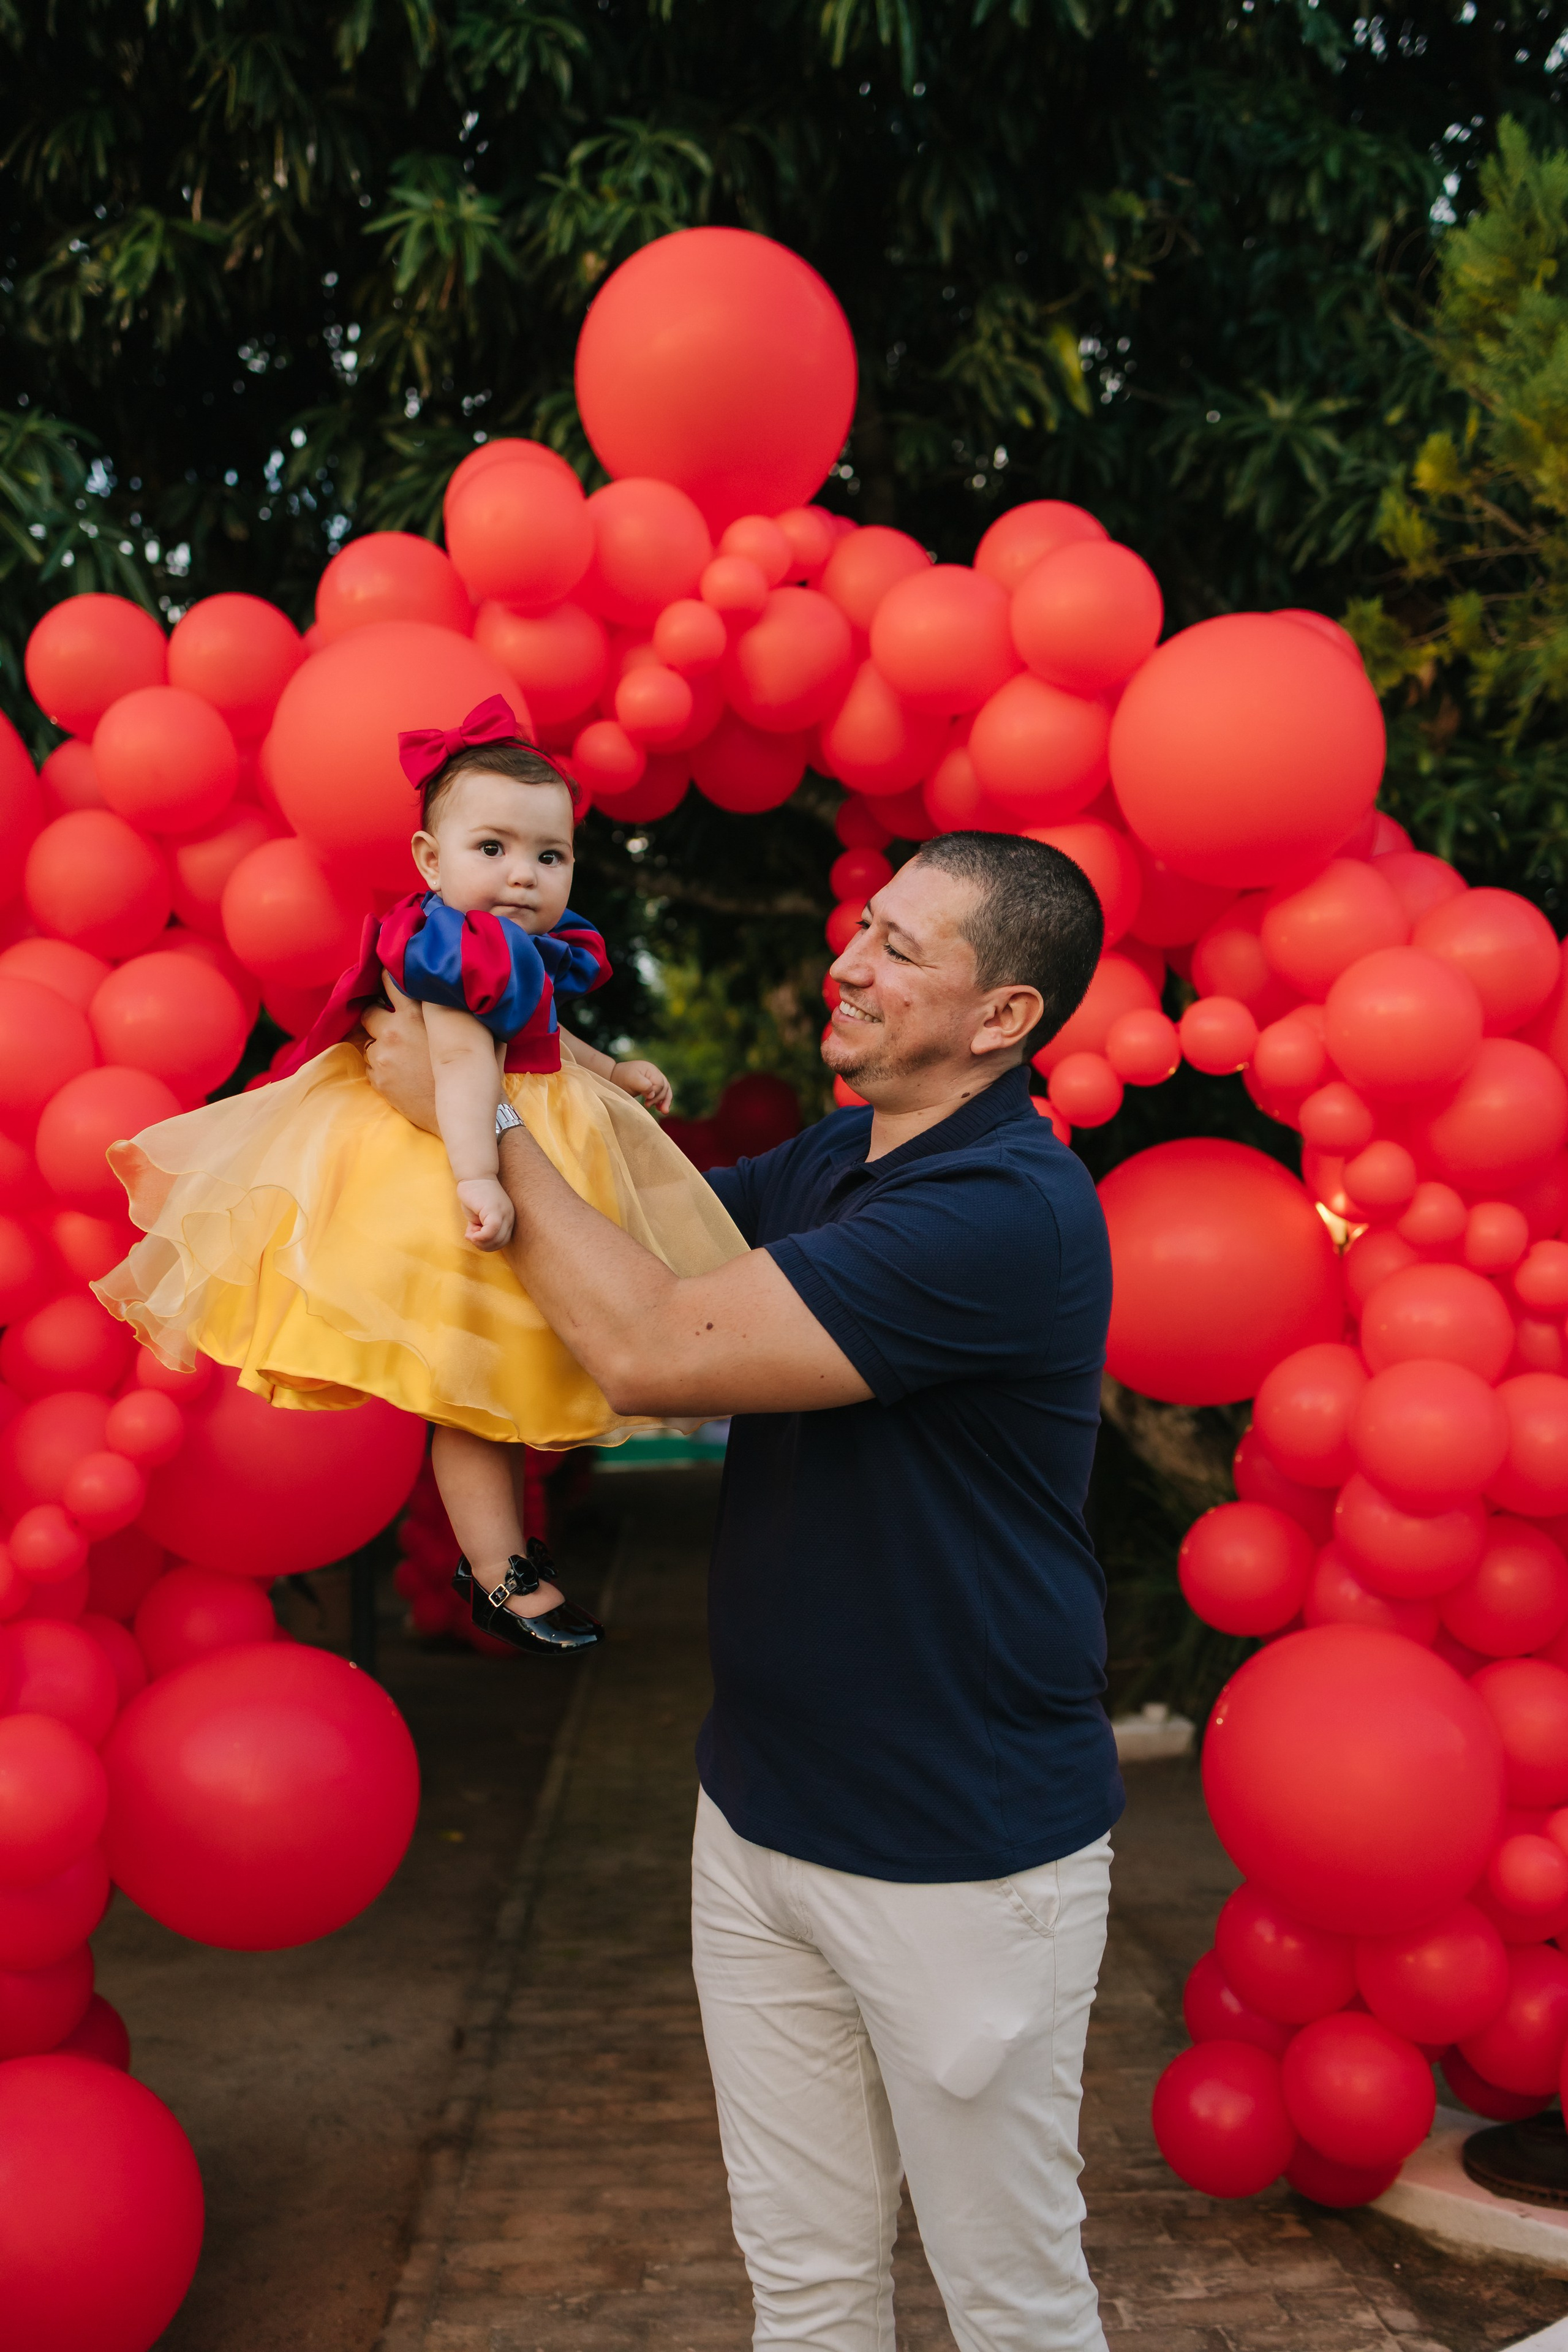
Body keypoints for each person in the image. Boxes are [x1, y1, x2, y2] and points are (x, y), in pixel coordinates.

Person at [363, 826, 1122, 2351]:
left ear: (1004, 1021)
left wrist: (470, 1127)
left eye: (905, 950)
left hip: (956, 1858)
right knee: (805, 2291)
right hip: (760, 1815)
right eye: (864, 924)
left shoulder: (999, 1212)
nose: (848, 959)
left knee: (1012, 2308)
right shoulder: (840, 1161)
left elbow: (651, 1343)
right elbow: (632, 1223)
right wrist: (487, 1018)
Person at [93, 697, 745, 1655]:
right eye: (493, 849)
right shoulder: (449, 945)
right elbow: (456, 1066)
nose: (523, 873)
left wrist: (612, 1071)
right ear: (430, 864)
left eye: (549, 856)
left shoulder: (507, 947)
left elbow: (540, 1034)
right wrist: (480, 1176)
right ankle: (499, 1574)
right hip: (453, 1164)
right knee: (477, 1390)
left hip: (512, 1140)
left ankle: (502, 1572)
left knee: (501, 1387)